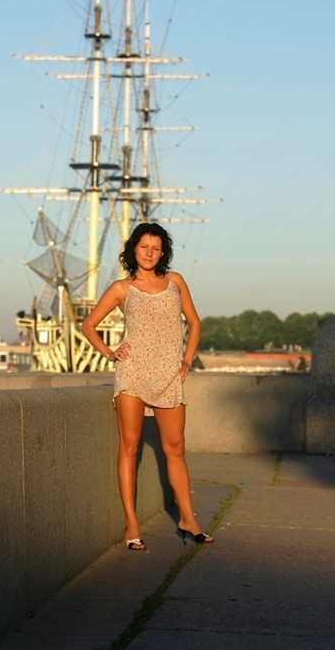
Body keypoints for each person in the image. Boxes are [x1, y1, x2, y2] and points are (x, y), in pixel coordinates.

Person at [82, 222, 214, 551]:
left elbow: (194, 323)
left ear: (162, 251)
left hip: (169, 375)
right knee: (129, 447)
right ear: (134, 249)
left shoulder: (175, 281)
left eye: (156, 248)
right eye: (144, 247)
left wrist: (187, 360)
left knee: (176, 448)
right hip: (133, 375)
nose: (150, 253)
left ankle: (188, 519)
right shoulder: (121, 289)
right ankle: (131, 524)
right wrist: (110, 353)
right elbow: (89, 325)